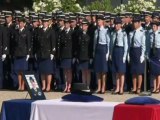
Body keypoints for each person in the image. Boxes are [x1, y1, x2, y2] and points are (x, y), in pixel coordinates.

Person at [36, 16, 56, 92]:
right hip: (41, 53)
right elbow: (38, 42)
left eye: (46, 22)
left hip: (48, 53)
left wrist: (52, 53)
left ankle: (48, 86)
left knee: (48, 71)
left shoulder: (51, 31)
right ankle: (43, 86)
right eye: (43, 22)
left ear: (48, 23)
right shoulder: (39, 31)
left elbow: (53, 43)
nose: (44, 23)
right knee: (42, 71)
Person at [12, 17, 31, 91]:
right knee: (18, 71)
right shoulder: (16, 32)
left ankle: (23, 85)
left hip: (24, 53)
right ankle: (19, 85)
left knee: (23, 71)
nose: (20, 24)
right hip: (17, 53)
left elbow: (29, 43)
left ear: (24, 24)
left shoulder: (27, 32)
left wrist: (28, 53)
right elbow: (14, 43)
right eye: (19, 23)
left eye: (22, 23)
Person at [93, 15, 110, 94]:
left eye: (100, 20)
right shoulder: (96, 31)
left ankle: (103, 87)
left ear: (103, 21)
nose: (98, 22)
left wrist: (108, 52)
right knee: (98, 70)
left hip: (103, 48)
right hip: (97, 49)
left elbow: (108, 42)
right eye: (97, 20)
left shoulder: (106, 30)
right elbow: (94, 43)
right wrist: (94, 51)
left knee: (103, 70)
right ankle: (99, 86)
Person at [111, 17, 128, 95]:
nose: (116, 26)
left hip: (121, 51)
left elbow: (126, 45)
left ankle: (121, 88)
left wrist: (125, 55)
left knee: (121, 71)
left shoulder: (124, 33)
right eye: (115, 24)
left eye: (118, 24)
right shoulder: (113, 33)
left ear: (121, 25)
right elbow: (111, 44)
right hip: (115, 50)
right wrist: (111, 53)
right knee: (116, 71)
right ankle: (117, 87)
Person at [129, 16, 146, 94]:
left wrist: (142, 55)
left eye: (136, 22)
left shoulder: (142, 32)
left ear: (139, 23)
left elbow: (143, 45)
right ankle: (134, 87)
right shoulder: (131, 32)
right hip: (132, 51)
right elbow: (129, 44)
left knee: (139, 71)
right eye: (133, 22)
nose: (134, 24)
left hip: (138, 51)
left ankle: (139, 87)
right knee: (133, 71)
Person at [77, 19, 92, 90]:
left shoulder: (89, 34)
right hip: (81, 55)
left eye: (85, 25)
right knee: (83, 71)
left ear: (87, 26)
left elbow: (91, 46)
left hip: (87, 55)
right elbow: (78, 46)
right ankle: (84, 85)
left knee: (87, 71)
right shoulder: (80, 34)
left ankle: (88, 85)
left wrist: (91, 56)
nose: (83, 27)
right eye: (82, 25)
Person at [59, 18, 73, 93]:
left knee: (69, 71)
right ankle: (66, 85)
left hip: (69, 54)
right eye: (65, 24)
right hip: (64, 53)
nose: (66, 25)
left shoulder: (72, 32)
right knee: (65, 71)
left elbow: (74, 45)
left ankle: (69, 86)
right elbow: (60, 44)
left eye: (67, 23)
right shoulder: (62, 32)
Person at [149, 21, 160, 93]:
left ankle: (158, 87)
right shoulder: (151, 35)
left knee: (158, 72)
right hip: (152, 51)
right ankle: (154, 87)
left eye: (154, 26)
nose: (153, 28)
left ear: (157, 27)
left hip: (158, 51)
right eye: (152, 26)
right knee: (153, 71)